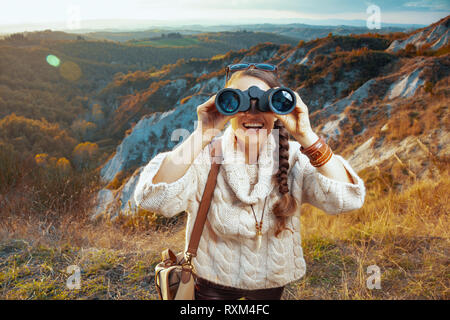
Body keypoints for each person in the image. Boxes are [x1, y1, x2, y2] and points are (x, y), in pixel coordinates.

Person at [134, 64, 366, 300]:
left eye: (265, 103)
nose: (252, 112)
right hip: (212, 281)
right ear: (224, 106)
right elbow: (152, 199)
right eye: (238, 101)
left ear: (278, 109)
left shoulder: (294, 158)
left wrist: (306, 135)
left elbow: (348, 200)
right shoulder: (205, 158)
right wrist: (203, 133)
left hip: (271, 280)